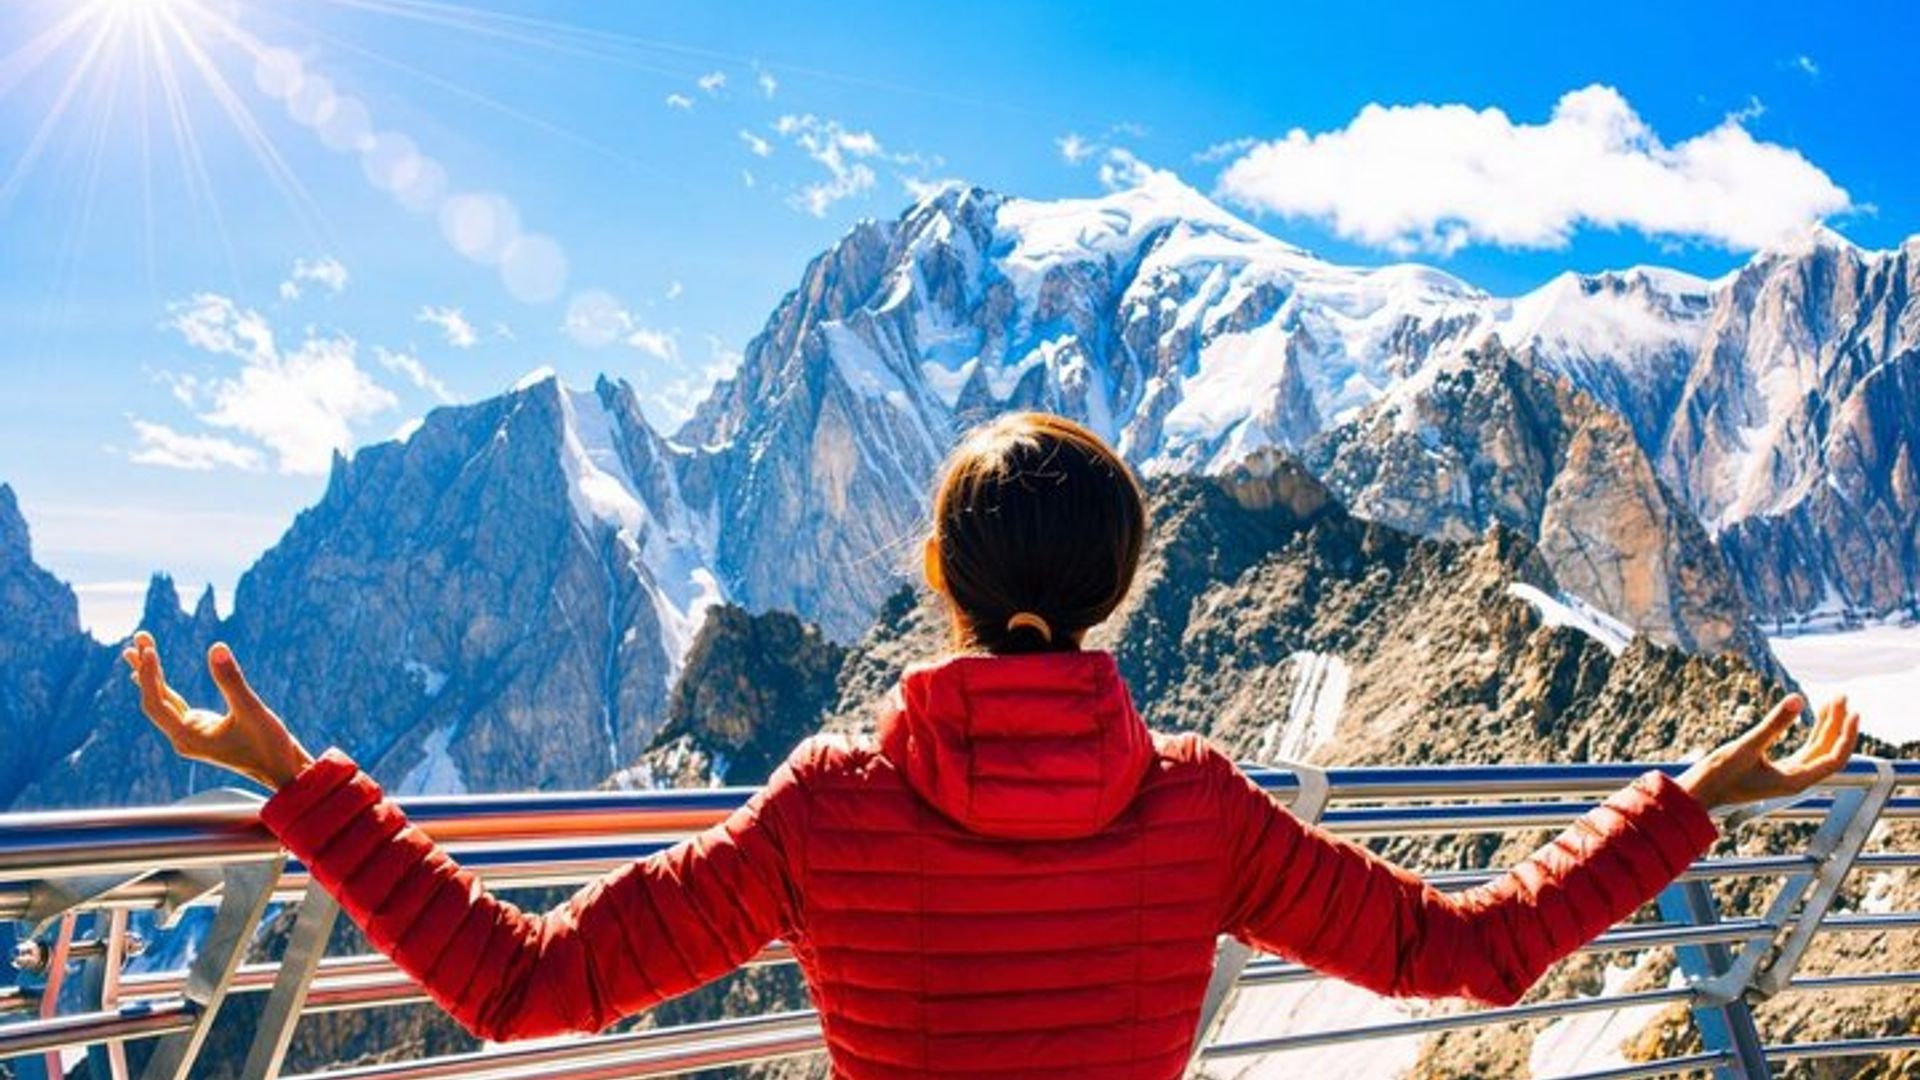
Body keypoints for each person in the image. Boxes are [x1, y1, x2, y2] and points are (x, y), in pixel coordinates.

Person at [127, 412, 1859, 1079]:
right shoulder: (1199, 812)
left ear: (937, 585)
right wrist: (1701, 790)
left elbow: (518, 989)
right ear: (1115, 595)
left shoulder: (829, 814)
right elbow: (1472, 955)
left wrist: (305, 793)